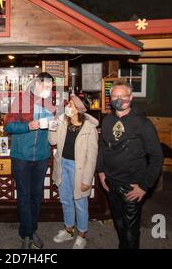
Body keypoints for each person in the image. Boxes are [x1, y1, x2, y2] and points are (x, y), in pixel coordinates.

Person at [97, 80, 163, 249]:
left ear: (131, 97)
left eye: (122, 96)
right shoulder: (107, 121)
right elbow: (102, 148)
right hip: (110, 182)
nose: (118, 99)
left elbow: (156, 157)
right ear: (110, 98)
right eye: (114, 96)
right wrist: (101, 172)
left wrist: (144, 186)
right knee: (118, 222)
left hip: (132, 185)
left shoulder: (143, 123)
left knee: (130, 228)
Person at [4, 72, 55, 249]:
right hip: (21, 157)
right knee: (24, 196)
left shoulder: (50, 103)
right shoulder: (21, 100)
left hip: (41, 156)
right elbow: (8, 125)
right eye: (45, 86)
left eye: (50, 86)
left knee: (36, 196)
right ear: (36, 84)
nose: (48, 89)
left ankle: (30, 230)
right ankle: (27, 234)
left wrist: (56, 123)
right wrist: (28, 126)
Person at [48, 95, 98, 249]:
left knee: (80, 202)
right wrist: (52, 127)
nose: (68, 106)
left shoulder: (90, 128)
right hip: (63, 165)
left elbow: (92, 157)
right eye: (68, 103)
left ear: (80, 109)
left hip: (80, 169)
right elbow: (52, 141)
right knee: (65, 200)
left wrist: (87, 180)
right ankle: (68, 229)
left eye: (71, 105)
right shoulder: (62, 121)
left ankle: (82, 235)